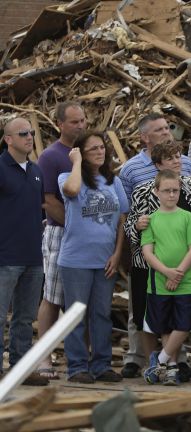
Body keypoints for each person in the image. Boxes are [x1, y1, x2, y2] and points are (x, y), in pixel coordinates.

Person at [119, 113, 191, 380]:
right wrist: (137, 226)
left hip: (184, 262)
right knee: (145, 312)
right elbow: (128, 222)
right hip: (148, 263)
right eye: (170, 158)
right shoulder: (139, 183)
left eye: (168, 128)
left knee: (181, 313)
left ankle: (173, 360)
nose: (177, 162)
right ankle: (151, 361)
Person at [58, 131, 128, 383]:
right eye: (93, 149)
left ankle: (101, 364)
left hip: (105, 260)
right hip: (75, 261)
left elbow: (122, 219)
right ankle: (77, 367)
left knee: (101, 314)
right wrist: (76, 163)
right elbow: (72, 190)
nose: (100, 152)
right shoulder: (67, 177)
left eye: (102, 148)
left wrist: (118, 253)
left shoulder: (114, 182)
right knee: (76, 315)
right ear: (80, 153)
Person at [36, 100, 86, 379]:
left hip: (86, 238)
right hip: (60, 234)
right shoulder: (52, 156)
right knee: (52, 297)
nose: (80, 126)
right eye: (74, 122)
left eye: (83, 120)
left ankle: (79, 357)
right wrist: (74, 226)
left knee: (81, 299)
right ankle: (44, 356)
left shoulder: (88, 152)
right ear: (60, 124)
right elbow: (48, 201)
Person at [0, 117, 49, 386]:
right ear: (8, 139)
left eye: (30, 133)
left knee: (24, 317)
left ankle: (19, 368)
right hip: (5, 257)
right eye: (22, 133)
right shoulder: (0, 168)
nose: (29, 137)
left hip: (33, 257)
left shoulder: (36, 171)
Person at [141, 170, 191, 385]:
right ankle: (171, 368)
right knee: (166, 326)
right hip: (158, 283)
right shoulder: (151, 220)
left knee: (184, 324)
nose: (171, 195)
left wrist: (178, 274)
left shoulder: (187, 216)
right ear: (157, 192)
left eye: (175, 190)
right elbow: (148, 252)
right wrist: (166, 272)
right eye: (166, 191)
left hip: (185, 282)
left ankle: (160, 361)